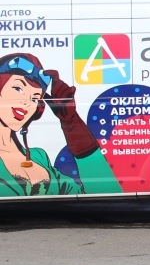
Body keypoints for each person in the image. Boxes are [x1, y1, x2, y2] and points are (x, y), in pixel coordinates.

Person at [0, 53, 121, 196]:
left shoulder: (39, 156)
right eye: (18, 89)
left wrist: (71, 122)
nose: (27, 102)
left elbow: (103, 190)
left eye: (35, 98)